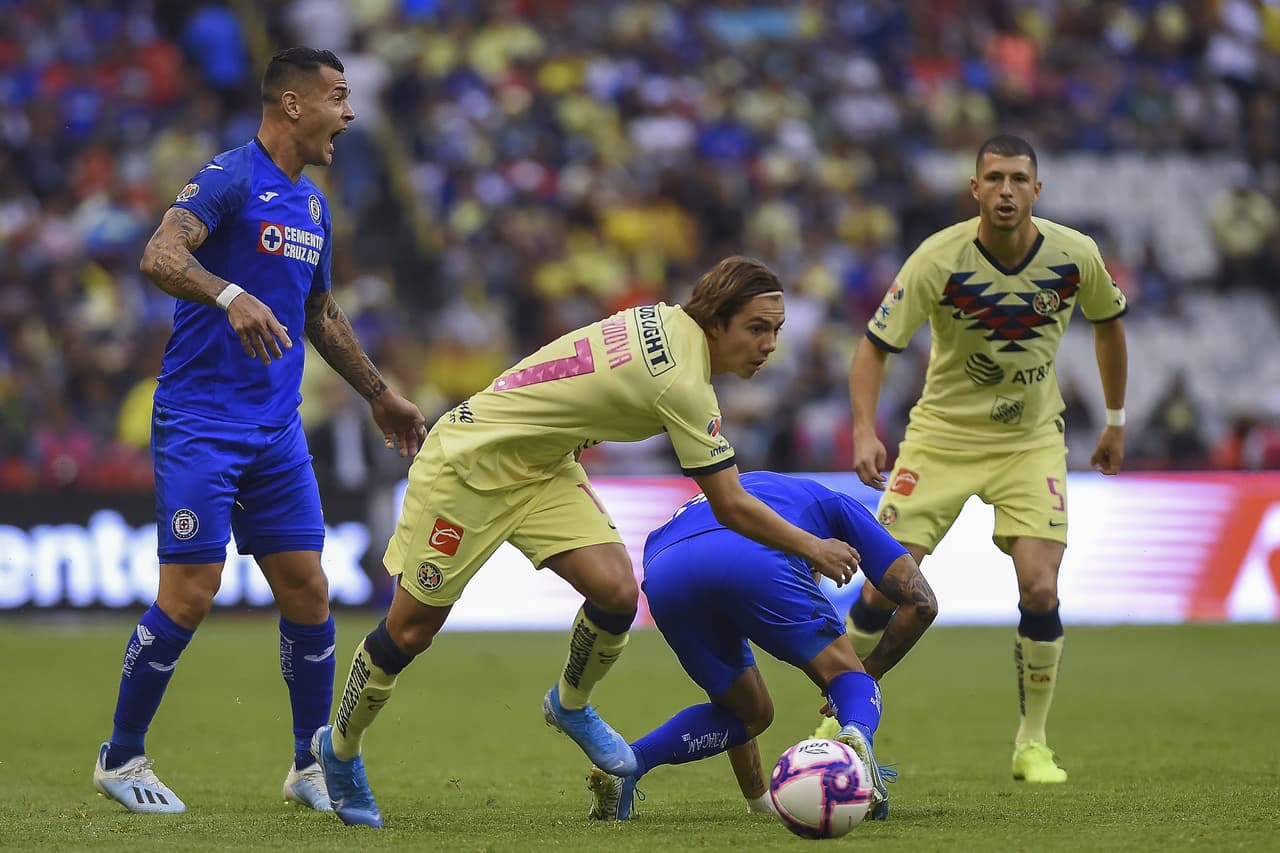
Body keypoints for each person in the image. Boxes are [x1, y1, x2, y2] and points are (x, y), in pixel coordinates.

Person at [310, 256, 865, 828]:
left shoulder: (663, 320)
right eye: (756, 328)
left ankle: (569, 706)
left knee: (617, 593)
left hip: (543, 466)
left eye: (776, 329)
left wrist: (565, 428)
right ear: (715, 321)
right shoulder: (684, 383)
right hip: (468, 469)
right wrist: (811, 546)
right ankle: (341, 751)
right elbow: (729, 503)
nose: (770, 343)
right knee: (410, 630)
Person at [91, 48, 427, 815]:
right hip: (201, 422)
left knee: (311, 591)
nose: (349, 112)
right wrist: (228, 292)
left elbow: (320, 315)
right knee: (191, 593)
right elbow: (159, 253)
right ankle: (120, 754)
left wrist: (380, 394)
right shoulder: (229, 176)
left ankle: (310, 762)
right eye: (337, 97)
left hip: (276, 429)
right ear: (292, 105)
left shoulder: (314, 207)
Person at [815, 135, 1128, 784]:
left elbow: (1109, 324)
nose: (1007, 189)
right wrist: (866, 431)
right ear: (975, 188)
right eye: (995, 178)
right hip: (941, 441)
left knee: (1041, 586)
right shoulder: (938, 258)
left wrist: (1115, 418)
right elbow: (874, 346)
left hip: (1031, 440)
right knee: (881, 588)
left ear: (1036, 190)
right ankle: (836, 717)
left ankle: (1032, 742)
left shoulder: (1075, 256)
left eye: (1019, 178)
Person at [584, 471, 937, 823]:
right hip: (752, 555)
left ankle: (625, 767)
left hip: (664, 569)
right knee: (844, 674)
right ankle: (857, 742)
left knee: (743, 713)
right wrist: (864, 678)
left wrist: (758, 804)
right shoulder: (838, 506)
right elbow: (922, 604)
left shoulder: (755, 493)